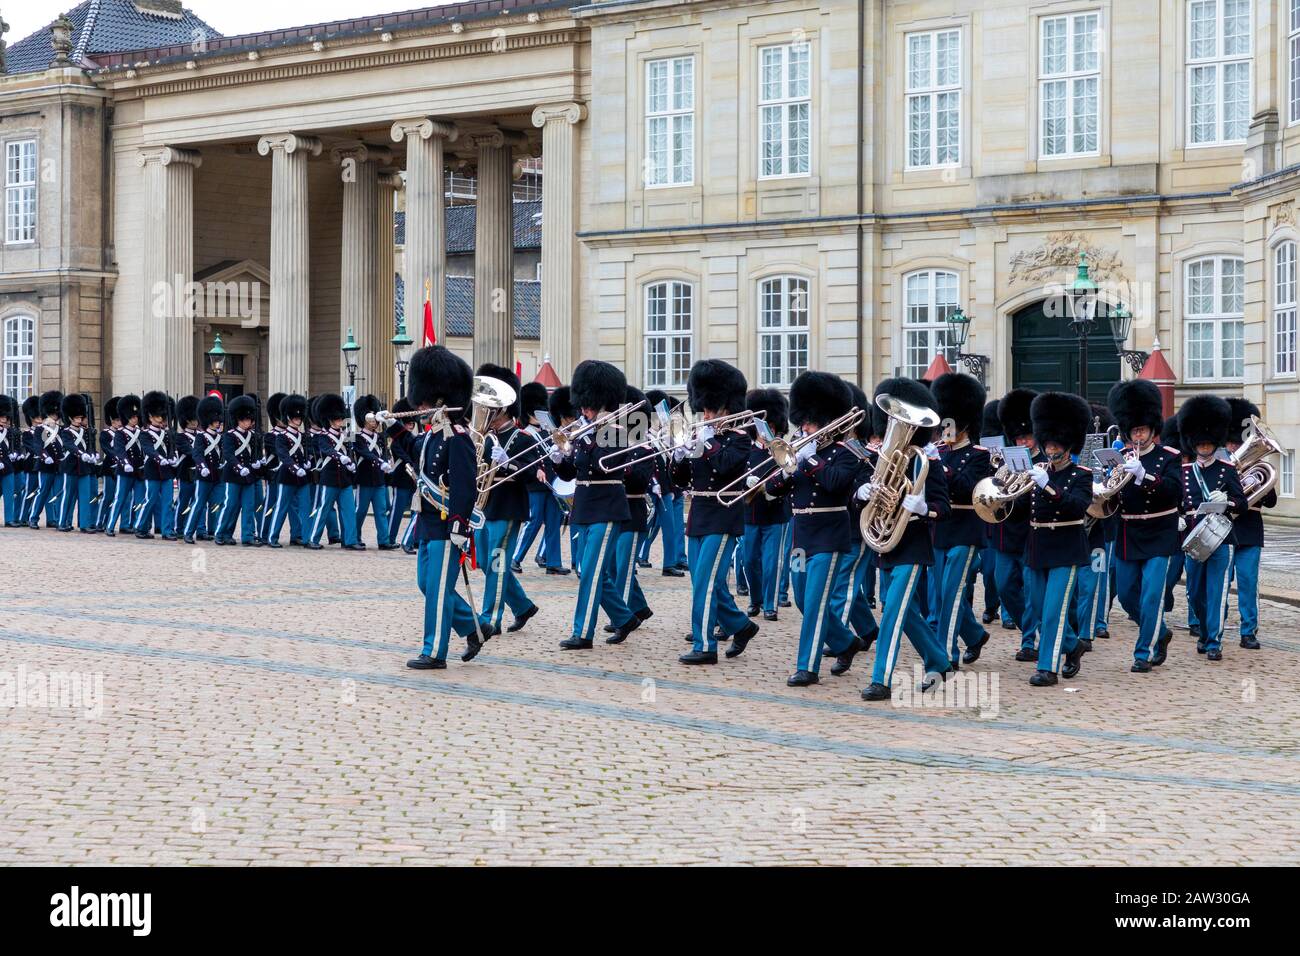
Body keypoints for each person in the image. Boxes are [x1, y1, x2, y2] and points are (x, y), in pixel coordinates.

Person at [384, 345, 486, 670]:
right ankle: (473, 626)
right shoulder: (431, 436)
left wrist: (459, 526)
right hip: (427, 522)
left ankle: (435, 652)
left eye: (425, 402)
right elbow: (411, 448)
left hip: (446, 524)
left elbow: (464, 488)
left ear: (440, 399)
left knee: (439, 590)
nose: (421, 407)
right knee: (426, 585)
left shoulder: (457, 438)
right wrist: (392, 425)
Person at [765, 371, 861, 686]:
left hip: (829, 535)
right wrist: (787, 469)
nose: (804, 428)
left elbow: (836, 483)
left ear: (826, 420)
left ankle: (807, 666)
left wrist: (810, 462)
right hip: (800, 536)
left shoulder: (846, 454)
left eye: (810, 422)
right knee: (803, 599)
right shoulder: (799, 451)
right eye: (802, 421)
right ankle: (846, 642)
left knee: (817, 599)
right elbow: (775, 489)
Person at [861, 377, 952, 701]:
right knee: (901, 611)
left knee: (892, 613)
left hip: (912, 543)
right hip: (885, 544)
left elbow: (944, 507)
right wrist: (863, 493)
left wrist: (924, 508)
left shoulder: (927, 461)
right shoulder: (881, 458)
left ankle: (881, 678)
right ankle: (939, 661)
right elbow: (866, 500)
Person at [551, 360, 644, 649]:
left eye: (588, 405)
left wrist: (586, 439)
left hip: (607, 506)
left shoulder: (616, 428)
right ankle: (625, 618)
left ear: (600, 401)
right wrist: (558, 457)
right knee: (592, 571)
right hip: (585, 506)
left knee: (590, 572)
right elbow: (572, 472)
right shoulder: (586, 430)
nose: (583, 411)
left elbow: (606, 464)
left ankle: (583, 633)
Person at [674, 359, 760, 665]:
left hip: (723, 516)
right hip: (698, 514)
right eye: (704, 409)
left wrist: (706, 444)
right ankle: (741, 625)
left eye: (711, 410)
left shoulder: (740, 439)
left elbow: (725, 465)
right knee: (702, 581)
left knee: (707, 582)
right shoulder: (704, 438)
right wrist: (679, 456)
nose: (706, 415)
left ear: (726, 407)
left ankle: (705, 645)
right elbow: (681, 481)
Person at [1108, 380, 1182, 673]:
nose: (1138, 435)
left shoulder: (1170, 457)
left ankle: (1144, 651)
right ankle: (1159, 632)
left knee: (1152, 594)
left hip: (1160, 534)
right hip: (1129, 533)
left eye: (1142, 430)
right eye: (1133, 430)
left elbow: (1174, 492)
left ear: (1152, 429)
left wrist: (1144, 477)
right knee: (1126, 595)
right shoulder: (1122, 459)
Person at [1021, 392, 1092, 686]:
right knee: (1038, 607)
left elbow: (1078, 506)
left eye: (1055, 445)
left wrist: (1048, 487)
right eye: (1047, 444)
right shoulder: (1036, 473)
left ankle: (1047, 668)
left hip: (1066, 548)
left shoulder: (1081, 475)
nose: (1050, 449)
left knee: (1053, 611)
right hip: (1037, 548)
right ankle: (1072, 645)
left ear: (1067, 446)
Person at [930, 372, 994, 668]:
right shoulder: (938, 452)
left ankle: (945, 653)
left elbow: (968, 486)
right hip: (939, 528)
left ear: (965, 423)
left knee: (951, 592)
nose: (946, 428)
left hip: (966, 531)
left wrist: (939, 468)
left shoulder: (980, 455)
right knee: (943, 593)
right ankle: (974, 634)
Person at [473, 363, 541, 636]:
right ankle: (522, 606)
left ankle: (491, 617)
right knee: (486, 561)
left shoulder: (522, 438)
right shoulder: (486, 438)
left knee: (497, 561)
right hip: (487, 507)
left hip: (509, 508)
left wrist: (507, 465)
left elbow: (534, 477)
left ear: (502, 408)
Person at [1178, 395, 1247, 662]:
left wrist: (1227, 501)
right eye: (1200, 441)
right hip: (1194, 537)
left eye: (1208, 441)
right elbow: (1177, 503)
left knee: (1217, 592)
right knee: (1195, 592)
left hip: (1221, 537)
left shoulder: (1227, 470)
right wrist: (1179, 518)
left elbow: (1241, 502)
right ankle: (1206, 632)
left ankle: (1214, 641)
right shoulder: (1184, 472)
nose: (1204, 445)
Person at [605, 385, 656, 640]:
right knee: (614, 565)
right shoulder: (614, 442)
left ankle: (621, 617)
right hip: (614, 509)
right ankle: (639, 608)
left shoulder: (644, 448)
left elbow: (639, 480)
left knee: (623, 568)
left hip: (633, 510)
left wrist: (620, 464)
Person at [1225, 397, 1273, 651]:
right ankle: (1214, 627)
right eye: (1231, 442)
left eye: (1237, 442)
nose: (1234, 446)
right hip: (1225, 529)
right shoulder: (1221, 467)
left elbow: (1272, 501)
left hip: (1250, 529)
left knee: (1247, 581)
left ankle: (1248, 631)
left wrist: (1258, 477)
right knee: (1221, 583)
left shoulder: (1256, 466)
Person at [739, 388, 791, 622]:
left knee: (771, 562)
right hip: (750, 513)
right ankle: (755, 599)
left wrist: (774, 487)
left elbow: (790, 477)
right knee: (749, 560)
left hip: (775, 513)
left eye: (771, 426)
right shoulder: (747, 451)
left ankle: (770, 604)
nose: (766, 432)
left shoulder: (782, 452)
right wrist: (745, 481)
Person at [510, 382, 561, 573]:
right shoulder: (524, 434)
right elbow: (526, 459)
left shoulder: (548, 432)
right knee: (533, 522)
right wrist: (536, 470)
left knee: (554, 522)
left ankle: (553, 562)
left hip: (552, 483)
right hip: (535, 484)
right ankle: (515, 557)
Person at [307, 393, 363, 550]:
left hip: (344, 479)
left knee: (349, 511)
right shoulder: (323, 437)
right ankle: (313, 539)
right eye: (337, 419)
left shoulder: (346, 435)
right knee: (324, 509)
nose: (340, 421)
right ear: (330, 419)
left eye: (341, 418)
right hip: (329, 478)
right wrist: (340, 457)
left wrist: (351, 463)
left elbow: (352, 450)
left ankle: (350, 540)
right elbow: (327, 450)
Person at [216, 395, 262, 547]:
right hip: (234, 475)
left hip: (248, 476)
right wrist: (239, 467)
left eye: (249, 419)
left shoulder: (253, 436)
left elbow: (254, 453)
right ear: (238, 419)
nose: (247, 422)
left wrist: (257, 462)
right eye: (244, 419)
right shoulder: (229, 435)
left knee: (249, 507)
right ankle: (222, 533)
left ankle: (247, 536)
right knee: (230, 506)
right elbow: (228, 454)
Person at [352, 394, 396, 550]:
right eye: (372, 419)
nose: (375, 423)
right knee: (360, 511)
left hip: (378, 480)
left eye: (375, 419)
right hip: (364, 480)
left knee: (381, 511)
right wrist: (380, 462)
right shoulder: (357, 438)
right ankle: (354, 538)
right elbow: (366, 453)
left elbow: (384, 453)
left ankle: (383, 540)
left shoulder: (380, 437)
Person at [267, 393, 311, 548]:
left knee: (305, 508)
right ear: (288, 417)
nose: (298, 420)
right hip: (287, 476)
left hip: (302, 478)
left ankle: (306, 538)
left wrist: (307, 463)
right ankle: (272, 537)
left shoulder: (304, 436)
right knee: (281, 508)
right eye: (295, 417)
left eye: (300, 418)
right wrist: (295, 468)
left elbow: (306, 453)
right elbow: (283, 456)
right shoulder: (281, 437)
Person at [137, 391, 179, 541]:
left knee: (168, 502)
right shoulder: (145, 433)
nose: (160, 419)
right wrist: (159, 458)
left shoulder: (168, 433)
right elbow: (148, 448)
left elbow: (171, 449)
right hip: (152, 470)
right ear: (150, 416)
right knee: (150, 500)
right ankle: (141, 527)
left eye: (162, 416)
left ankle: (167, 530)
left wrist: (173, 458)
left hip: (166, 472)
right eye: (157, 416)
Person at [184, 396, 224, 544]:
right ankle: (189, 532)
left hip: (217, 476)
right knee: (199, 504)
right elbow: (197, 454)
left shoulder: (220, 437)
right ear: (208, 420)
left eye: (219, 419)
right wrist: (202, 466)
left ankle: (218, 533)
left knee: (218, 505)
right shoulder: (201, 437)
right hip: (204, 475)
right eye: (215, 420)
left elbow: (223, 454)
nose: (218, 422)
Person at [384, 397, 419, 555]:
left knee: (415, 510)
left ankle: (415, 538)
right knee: (396, 510)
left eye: (412, 423)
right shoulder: (396, 442)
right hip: (401, 478)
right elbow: (402, 455)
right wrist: (412, 462)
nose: (410, 426)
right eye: (407, 423)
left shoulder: (414, 439)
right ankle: (390, 538)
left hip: (413, 480)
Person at [106, 394, 144, 536]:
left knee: (140, 500)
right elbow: (119, 450)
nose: (135, 418)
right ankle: (110, 526)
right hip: (125, 470)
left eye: (136, 416)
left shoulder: (141, 432)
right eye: (133, 416)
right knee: (120, 498)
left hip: (139, 471)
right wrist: (126, 463)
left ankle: (139, 527)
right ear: (127, 417)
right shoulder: (120, 433)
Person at [27, 390, 65, 529]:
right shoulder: (41, 429)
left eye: (56, 414)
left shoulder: (61, 429)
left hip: (59, 465)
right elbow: (38, 445)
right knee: (43, 492)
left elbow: (64, 446)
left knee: (58, 493)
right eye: (52, 414)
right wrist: (45, 457)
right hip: (45, 465)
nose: (55, 416)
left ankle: (55, 519)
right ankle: (33, 518)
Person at [174, 396, 200, 542]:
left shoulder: (201, 436)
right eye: (192, 419)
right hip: (185, 473)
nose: (195, 422)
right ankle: (179, 527)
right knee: (183, 501)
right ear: (186, 420)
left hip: (199, 473)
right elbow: (190, 452)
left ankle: (196, 528)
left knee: (197, 502)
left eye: (196, 419)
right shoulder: (180, 437)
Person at [95, 398, 120, 532]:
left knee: (117, 498)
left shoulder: (124, 434)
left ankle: (109, 521)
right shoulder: (105, 434)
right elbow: (107, 449)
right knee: (108, 497)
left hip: (121, 469)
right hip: (109, 468)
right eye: (116, 420)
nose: (118, 423)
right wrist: (118, 457)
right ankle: (99, 522)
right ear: (111, 420)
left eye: (120, 420)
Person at [0, 396, 18, 527]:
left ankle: (9, 519)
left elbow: (18, 446)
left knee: (9, 494)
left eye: (5, 418)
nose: (4, 420)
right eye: (2, 417)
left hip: (8, 466)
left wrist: (16, 453)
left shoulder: (10, 432)